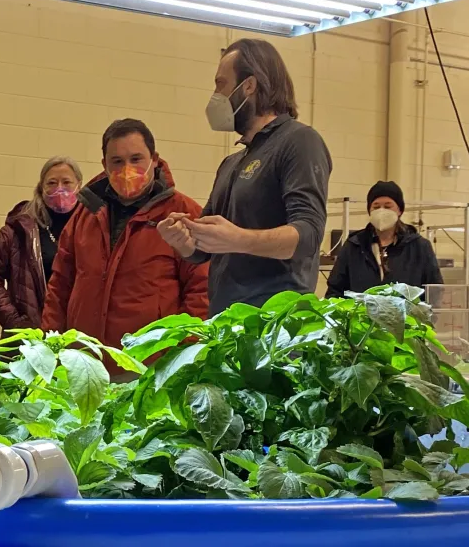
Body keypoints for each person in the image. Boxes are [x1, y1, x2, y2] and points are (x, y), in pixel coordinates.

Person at [158, 38, 332, 316]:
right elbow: (204, 250)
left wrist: (238, 239)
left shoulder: (299, 141)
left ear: (249, 86)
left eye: (221, 84)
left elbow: (308, 235)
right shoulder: (232, 162)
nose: (216, 95)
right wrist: (185, 238)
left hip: (276, 330)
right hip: (228, 322)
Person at [42, 119, 209, 376]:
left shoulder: (184, 214)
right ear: (104, 165)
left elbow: (201, 293)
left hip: (150, 368)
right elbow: (60, 285)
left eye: (136, 159)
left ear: (153, 159)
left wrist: (180, 357)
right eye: (117, 161)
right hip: (86, 365)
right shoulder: (84, 214)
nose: (127, 169)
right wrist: (51, 348)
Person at [0, 156, 84, 331]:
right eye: (52, 183)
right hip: (31, 340)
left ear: (79, 185)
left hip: (79, 335)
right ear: (41, 187)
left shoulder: (93, 226)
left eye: (66, 182)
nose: (59, 189)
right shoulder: (19, 228)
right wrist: (15, 322)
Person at [326, 181, 443, 297]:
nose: (381, 211)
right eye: (376, 207)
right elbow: (335, 289)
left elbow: (434, 291)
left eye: (388, 206)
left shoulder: (419, 247)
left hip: (407, 315)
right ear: (369, 211)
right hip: (360, 315)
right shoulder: (354, 245)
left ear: (400, 210)